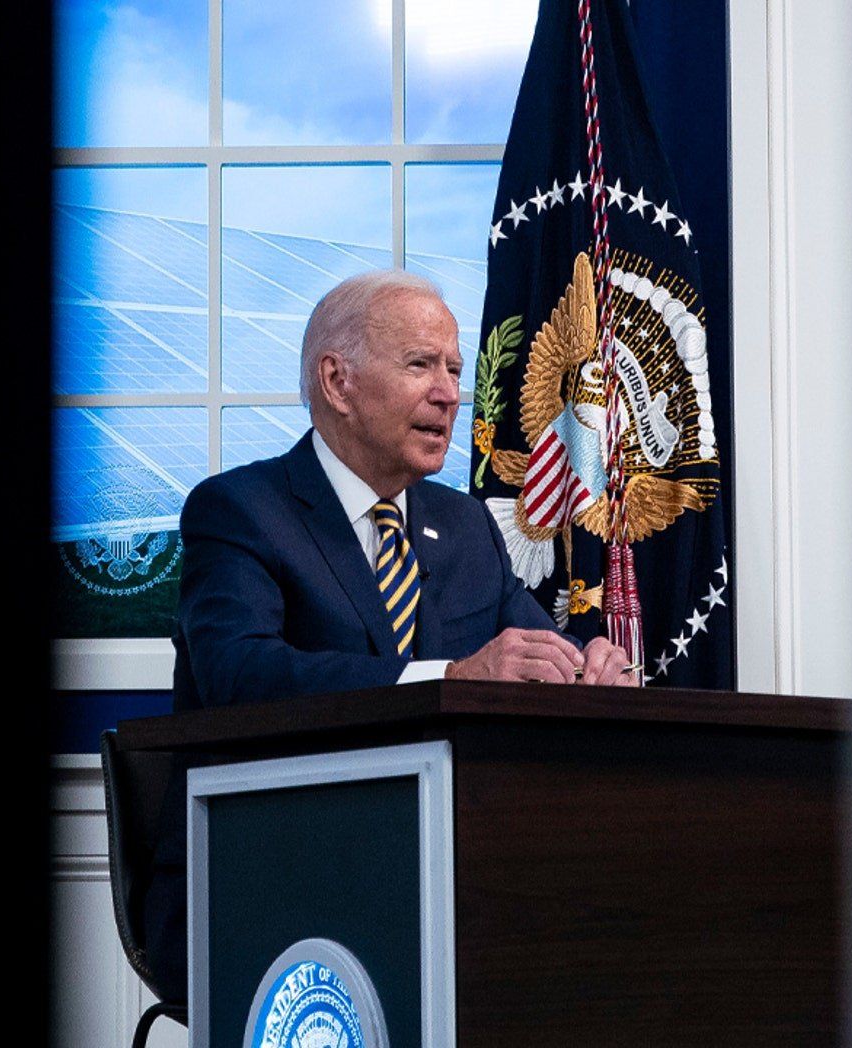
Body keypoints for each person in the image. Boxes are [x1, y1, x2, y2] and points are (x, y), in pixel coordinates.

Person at [143, 270, 635, 1001]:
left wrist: (588, 672)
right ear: (337, 381)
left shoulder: (465, 527)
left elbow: (530, 661)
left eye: (455, 370)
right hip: (266, 865)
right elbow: (237, 675)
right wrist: (448, 682)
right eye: (420, 366)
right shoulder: (239, 511)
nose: (448, 393)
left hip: (445, 866)